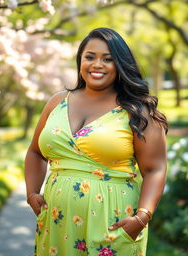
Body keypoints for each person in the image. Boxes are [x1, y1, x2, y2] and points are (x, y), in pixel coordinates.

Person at [25, 27, 168, 256]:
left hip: (114, 222)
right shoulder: (57, 102)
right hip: (56, 222)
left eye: (108, 59)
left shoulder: (137, 111)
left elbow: (155, 169)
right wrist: (32, 193)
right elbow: (35, 152)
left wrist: (142, 217)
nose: (97, 64)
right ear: (80, 60)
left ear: (120, 64)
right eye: (90, 57)